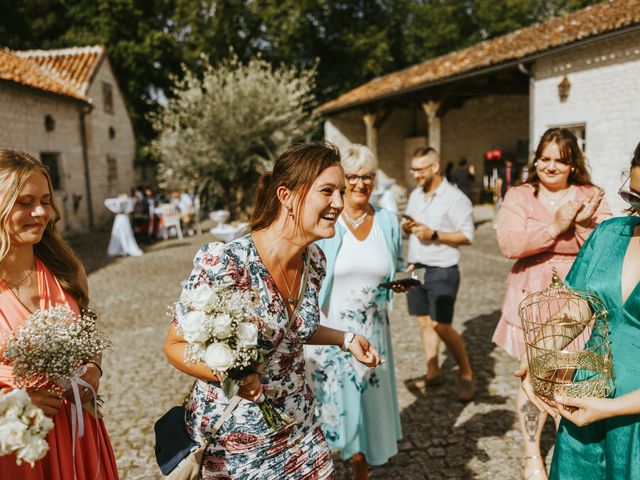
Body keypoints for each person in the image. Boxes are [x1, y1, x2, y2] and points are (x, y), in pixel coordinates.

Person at [163, 143, 383, 479]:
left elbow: (294, 331)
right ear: (287, 195)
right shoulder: (228, 262)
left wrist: (346, 338)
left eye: (341, 191)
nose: (339, 203)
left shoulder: (315, 261)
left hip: (300, 425)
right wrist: (230, 374)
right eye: (327, 191)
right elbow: (175, 345)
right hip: (236, 442)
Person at [517, 141, 640, 480]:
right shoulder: (609, 234)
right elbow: (578, 307)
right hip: (586, 400)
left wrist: (611, 408)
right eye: (635, 199)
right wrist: (541, 356)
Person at [493, 127, 611, 480]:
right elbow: (510, 245)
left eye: (559, 160)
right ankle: (532, 454)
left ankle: (568, 446)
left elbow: (604, 247)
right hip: (531, 296)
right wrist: (556, 226)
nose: (550, 166)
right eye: (544, 158)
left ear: (573, 163)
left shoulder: (591, 195)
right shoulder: (520, 195)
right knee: (534, 374)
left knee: (572, 376)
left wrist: (583, 224)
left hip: (578, 300)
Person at [0, 149, 119, 479]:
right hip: (13, 444)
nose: (40, 212)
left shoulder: (66, 270)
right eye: (24, 202)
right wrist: (15, 403)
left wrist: (93, 368)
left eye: (45, 200)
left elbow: (85, 337)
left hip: (75, 430)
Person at [305, 145, 403, 480]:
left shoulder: (388, 221)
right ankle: (328, 462)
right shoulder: (327, 222)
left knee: (368, 405)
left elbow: (398, 267)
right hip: (332, 333)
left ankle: (361, 467)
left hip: (374, 330)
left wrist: (402, 281)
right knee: (330, 406)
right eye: (353, 176)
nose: (361, 183)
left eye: (367, 176)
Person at [402, 146, 476, 401]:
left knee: (441, 325)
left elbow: (467, 236)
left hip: (443, 268)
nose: (416, 175)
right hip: (417, 267)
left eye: (420, 170)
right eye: (413, 170)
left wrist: (434, 234)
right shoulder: (415, 196)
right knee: (423, 322)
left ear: (435, 167)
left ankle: (466, 373)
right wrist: (408, 227)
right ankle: (433, 372)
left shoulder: (456, 199)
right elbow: (411, 230)